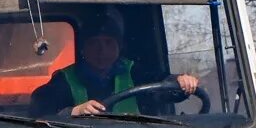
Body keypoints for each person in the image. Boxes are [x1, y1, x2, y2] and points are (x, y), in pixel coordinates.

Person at [29, 8, 199, 118]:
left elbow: (161, 88)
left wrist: (180, 83)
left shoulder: (134, 72)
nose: (102, 51)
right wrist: (74, 111)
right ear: (83, 48)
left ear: (119, 46)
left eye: (109, 43)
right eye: (94, 43)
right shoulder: (64, 79)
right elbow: (39, 114)